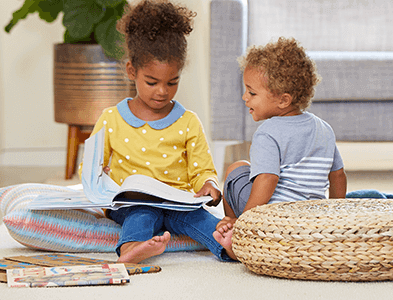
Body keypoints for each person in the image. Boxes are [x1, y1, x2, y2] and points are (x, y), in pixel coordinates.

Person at [87, 0, 231, 263]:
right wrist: (102, 178)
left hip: (177, 203)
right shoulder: (111, 119)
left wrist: (208, 185)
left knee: (202, 219)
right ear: (132, 71)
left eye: (172, 82)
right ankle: (131, 250)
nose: (162, 91)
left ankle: (228, 247)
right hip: (132, 204)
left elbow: (201, 170)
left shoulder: (188, 121)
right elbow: (91, 168)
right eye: (151, 82)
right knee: (142, 215)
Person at [212, 37, 348, 259]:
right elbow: (338, 176)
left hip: (274, 219)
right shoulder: (324, 129)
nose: (244, 97)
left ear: (284, 100)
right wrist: (334, 217)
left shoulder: (268, 132)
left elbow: (267, 178)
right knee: (247, 169)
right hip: (310, 220)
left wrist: (246, 222)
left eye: (252, 93)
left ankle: (239, 236)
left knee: (235, 169)